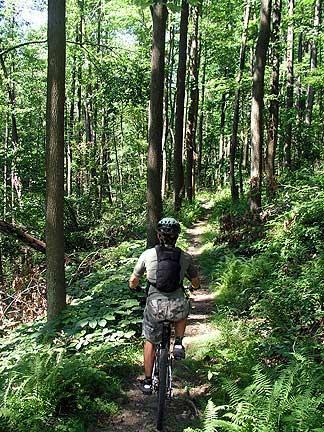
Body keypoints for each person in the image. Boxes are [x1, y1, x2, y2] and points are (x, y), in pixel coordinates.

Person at [129, 217, 200, 395]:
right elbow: (196, 282)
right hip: (177, 305)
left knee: (150, 341)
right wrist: (193, 287)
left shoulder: (147, 255)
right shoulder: (184, 256)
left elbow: (133, 281)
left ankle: (146, 381)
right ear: (176, 237)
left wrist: (134, 287)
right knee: (184, 309)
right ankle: (178, 343)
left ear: (159, 236)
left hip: (154, 306)